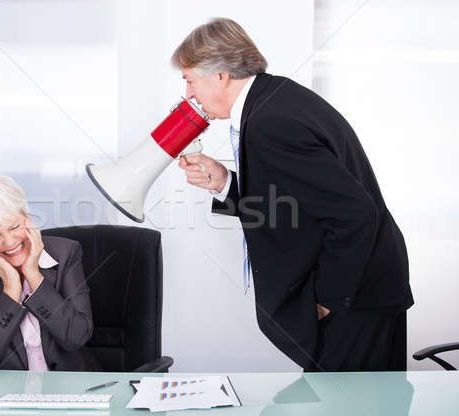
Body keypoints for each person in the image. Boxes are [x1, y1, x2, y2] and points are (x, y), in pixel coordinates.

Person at [173, 18, 413, 371]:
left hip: (357, 299)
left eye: (190, 81)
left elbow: (355, 213)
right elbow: (296, 203)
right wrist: (225, 182)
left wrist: (328, 298)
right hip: (369, 288)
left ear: (220, 75)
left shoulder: (269, 122)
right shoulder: (275, 99)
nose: (189, 95)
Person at [0, 175, 100, 371]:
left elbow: (76, 337)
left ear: (26, 218)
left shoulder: (66, 254)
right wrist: (11, 286)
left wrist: (33, 276)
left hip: (72, 387)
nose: (10, 241)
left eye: (14, 227)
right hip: (9, 394)